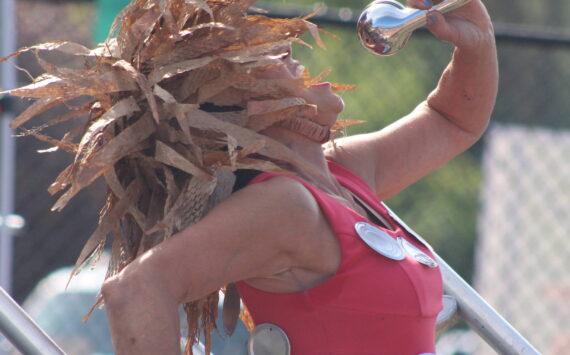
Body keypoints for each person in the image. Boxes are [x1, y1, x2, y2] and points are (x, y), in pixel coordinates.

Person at [100, 0, 498, 354]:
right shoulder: (285, 205)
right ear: (242, 109)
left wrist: (476, 40)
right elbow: (134, 290)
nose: (285, 48)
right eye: (258, 58)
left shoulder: (340, 174)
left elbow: (452, 120)